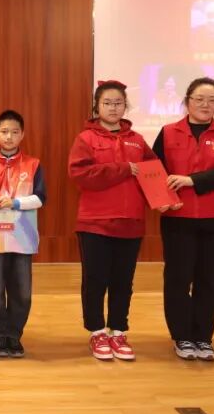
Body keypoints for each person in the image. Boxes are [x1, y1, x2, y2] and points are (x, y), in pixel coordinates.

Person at [68, 80, 166, 361]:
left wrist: (163, 198)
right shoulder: (86, 139)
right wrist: (123, 169)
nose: (113, 108)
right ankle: (97, 331)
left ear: (126, 106)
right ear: (97, 107)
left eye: (118, 103)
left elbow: (153, 173)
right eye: (107, 103)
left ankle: (118, 330)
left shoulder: (137, 140)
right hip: (95, 222)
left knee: (124, 281)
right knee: (95, 279)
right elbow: (80, 175)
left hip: (131, 223)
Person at [152, 78, 214, 362]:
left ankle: (203, 337)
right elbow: (154, 170)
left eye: (212, 100)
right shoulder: (168, 132)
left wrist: (192, 180)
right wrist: (160, 199)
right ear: (187, 101)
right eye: (199, 99)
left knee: (209, 281)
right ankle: (181, 335)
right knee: (178, 280)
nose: (206, 105)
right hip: (178, 218)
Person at [0, 110, 46, 358]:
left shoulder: (33, 164)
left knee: (22, 292)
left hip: (22, 238)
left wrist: (15, 202)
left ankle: (14, 335)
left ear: (22, 135)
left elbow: (40, 198)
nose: (9, 137)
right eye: (4, 131)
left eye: (15, 132)